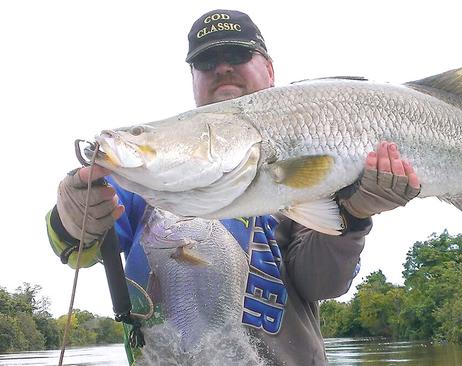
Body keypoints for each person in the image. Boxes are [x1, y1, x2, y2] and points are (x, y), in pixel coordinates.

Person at [46, 9, 420, 365]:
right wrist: (72, 212)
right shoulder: (142, 183)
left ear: (269, 69)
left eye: (238, 55)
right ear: (193, 80)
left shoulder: (321, 156)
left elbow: (321, 283)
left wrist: (353, 216)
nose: (222, 68)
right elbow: (75, 251)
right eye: (206, 63)